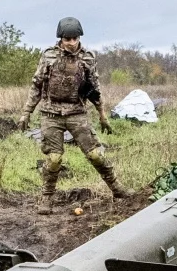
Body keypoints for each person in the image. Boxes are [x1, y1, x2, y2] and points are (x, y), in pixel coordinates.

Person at [21, 16, 124, 215]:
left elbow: (94, 88)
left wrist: (102, 115)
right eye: (67, 39)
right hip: (51, 114)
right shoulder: (49, 56)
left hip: (77, 112)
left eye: (75, 38)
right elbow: (37, 85)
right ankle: (47, 199)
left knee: (95, 154)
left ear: (79, 38)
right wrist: (26, 113)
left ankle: (117, 189)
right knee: (54, 159)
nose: (71, 43)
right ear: (61, 38)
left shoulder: (87, 57)